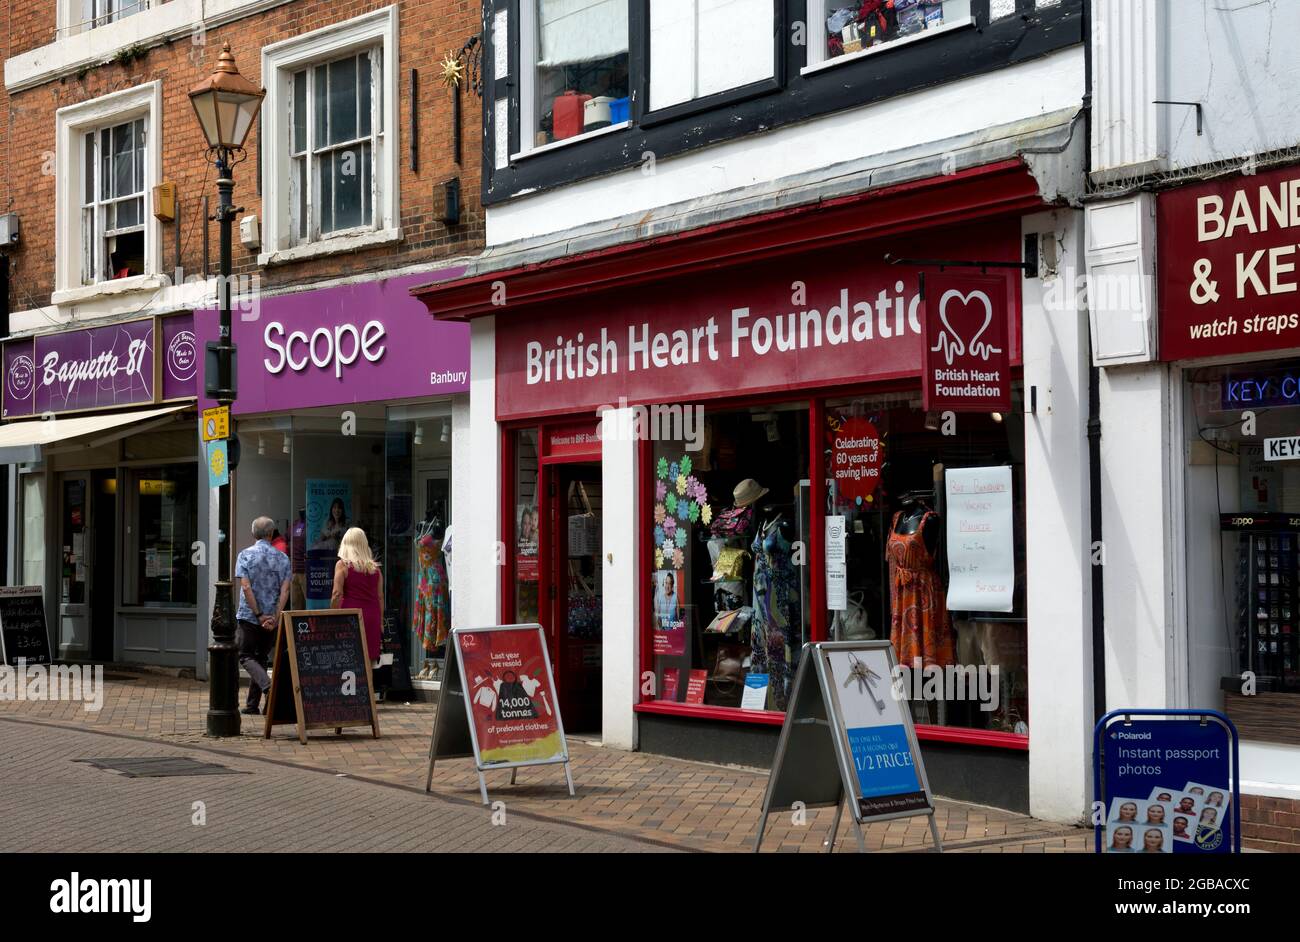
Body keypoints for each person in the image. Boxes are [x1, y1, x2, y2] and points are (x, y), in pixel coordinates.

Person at [235, 516, 291, 715]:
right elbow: (285, 591)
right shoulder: (283, 558)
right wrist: (275, 616)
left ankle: (268, 687)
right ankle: (252, 705)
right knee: (260, 657)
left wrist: (258, 614)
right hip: (271, 617)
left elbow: (246, 586)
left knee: (245, 655)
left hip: (250, 616)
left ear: (253, 533)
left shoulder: (245, 556)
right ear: (271, 534)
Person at [331, 527, 384, 671]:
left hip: (350, 618)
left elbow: (337, 594)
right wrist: (381, 622)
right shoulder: (376, 570)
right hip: (372, 617)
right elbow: (380, 597)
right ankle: (369, 693)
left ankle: (350, 693)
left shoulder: (342, 565)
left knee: (348, 662)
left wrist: (332, 614)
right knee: (369, 664)